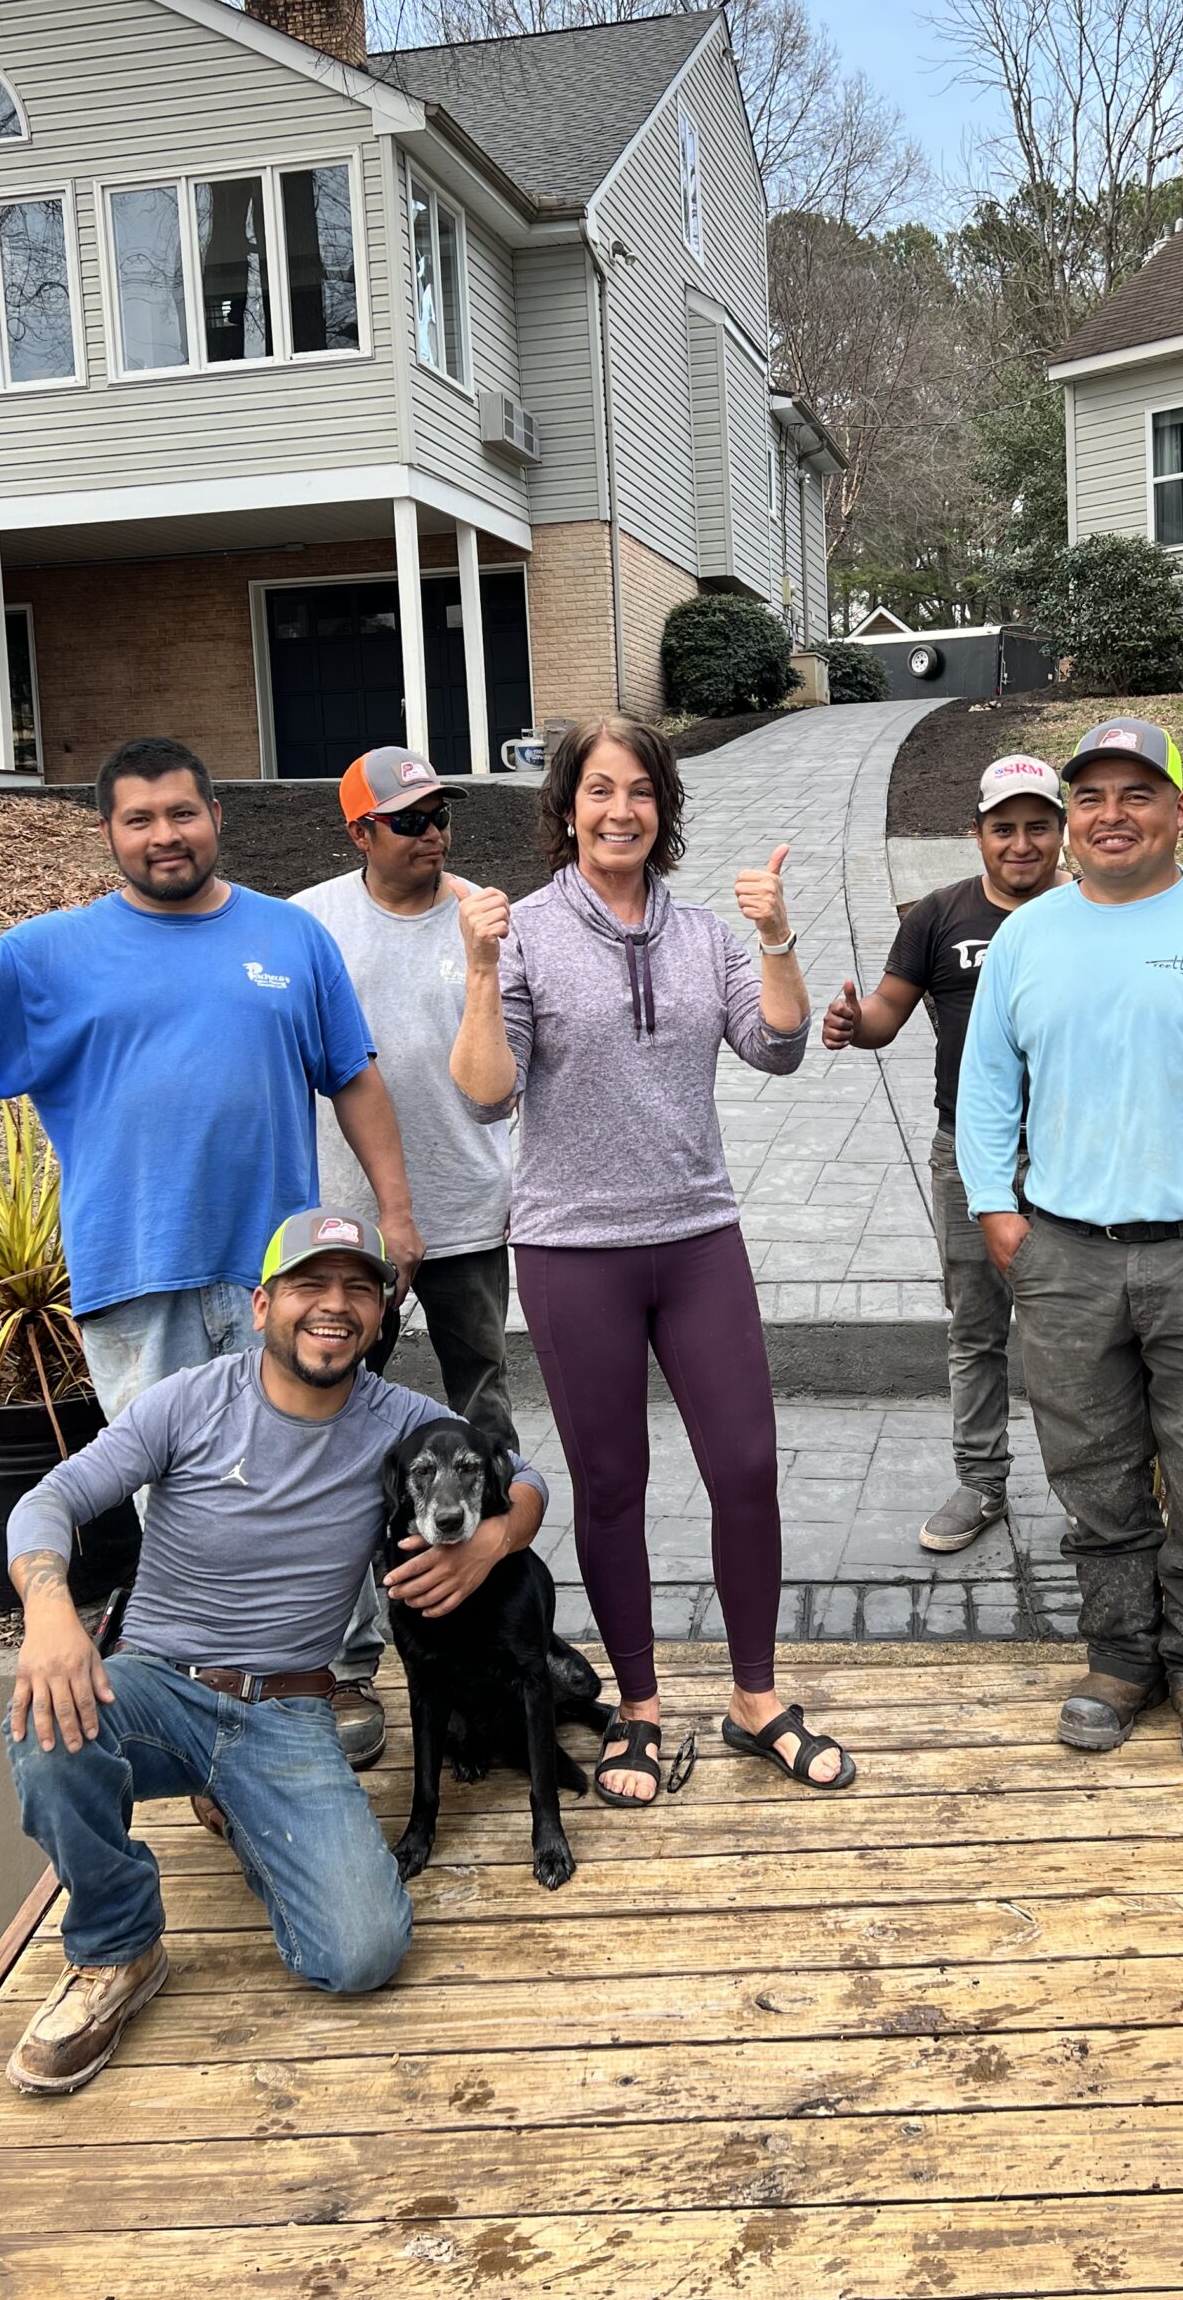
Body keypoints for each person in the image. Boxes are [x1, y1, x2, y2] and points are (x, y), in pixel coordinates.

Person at [0, 1208, 549, 2094]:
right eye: (309, 1285)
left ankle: (243, 1809)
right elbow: (48, 1501)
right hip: (156, 1686)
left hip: (290, 1710)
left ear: (379, 1316)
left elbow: (524, 1479)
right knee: (45, 1720)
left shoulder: (398, 1421)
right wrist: (50, 1609)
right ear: (263, 1305)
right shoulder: (189, 1401)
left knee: (363, 1952)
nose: (334, 1307)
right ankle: (117, 1951)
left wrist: (492, 1541)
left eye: (358, 1290)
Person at [450, 714, 855, 1806]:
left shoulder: (706, 935)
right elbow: (487, 1089)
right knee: (615, 1484)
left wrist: (775, 938)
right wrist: (482, 971)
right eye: (597, 790)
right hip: (573, 1249)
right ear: (567, 809)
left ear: (663, 809)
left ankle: (755, 1698)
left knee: (746, 1467)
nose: (618, 809)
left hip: (696, 1238)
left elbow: (774, 1048)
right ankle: (636, 1707)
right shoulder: (526, 931)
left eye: (639, 791)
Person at [957, 717, 1183, 1773]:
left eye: (1136, 794)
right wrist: (999, 1212)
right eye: (1091, 798)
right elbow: (989, 1084)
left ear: (1180, 811)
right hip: (1064, 1255)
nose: (1110, 816)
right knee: (1093, 1472)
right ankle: (1120, 1655)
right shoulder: (1030, 936)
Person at [0, 737, 425, 1430]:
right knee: (173, 1501)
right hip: (135, 1279)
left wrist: (398, 1216)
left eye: (182, 814)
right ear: (107, 832)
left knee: (299, 1483)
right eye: (139, 820)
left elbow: (353, 1078)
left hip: (277, 1270)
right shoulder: (50, 952)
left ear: (216, 816)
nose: (165, 836)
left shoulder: (293, 935)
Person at [293, 745, 518, 1769]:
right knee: (339, 1443)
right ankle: (347, 1660)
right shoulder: (311, 925)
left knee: (486, 1423)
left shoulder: (483, 912)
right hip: (349, 1235)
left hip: (469, 1214)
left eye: (440, 814)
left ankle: (495, 1610)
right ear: (360, 832)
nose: (433, 833)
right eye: (410, 819)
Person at [821, 755, 1069, 1552]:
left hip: (1079, 1156)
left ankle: (1092, 1495)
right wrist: (848, 1024)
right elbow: (886, 1019)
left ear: (1062, 832)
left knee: (1078, 1333)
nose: (1022, 844)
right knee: (975, 1326)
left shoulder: (1092, 913)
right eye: (1005, 828)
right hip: (969, 1150)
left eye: (1038, 826)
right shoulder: (937, 915)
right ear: (978, 835)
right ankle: (982, 1482)